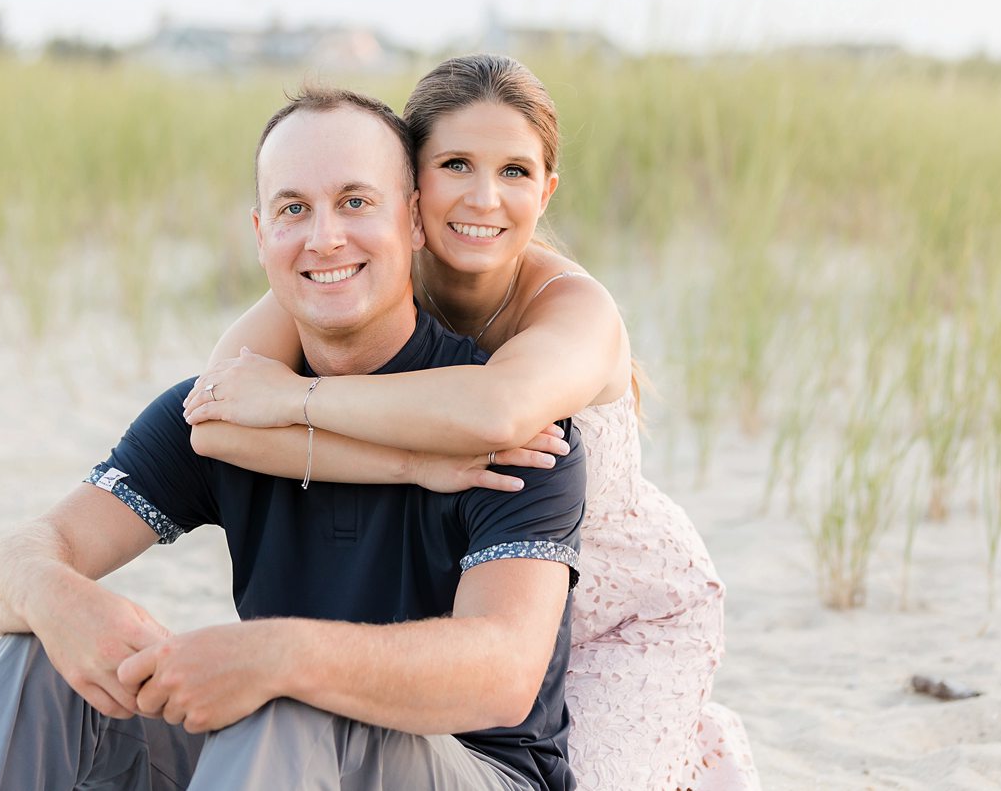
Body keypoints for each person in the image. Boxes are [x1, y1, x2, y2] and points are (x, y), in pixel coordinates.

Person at [0, 87, 588, 791]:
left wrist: (277, 654)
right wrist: (58, 599)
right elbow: (11, 567)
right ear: (261, 235)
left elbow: (503, 670)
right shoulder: (228, 415)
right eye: (294, 208)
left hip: (477, 771)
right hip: (276, 762)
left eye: (355, 202)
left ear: (413, 220)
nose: (324, 237)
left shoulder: (509, 431)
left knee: (290, 698)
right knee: (39, 656)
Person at [182, 54, 761, 790]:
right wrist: (406, 466)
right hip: (481, 596)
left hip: (620, 614)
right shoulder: (356, 268)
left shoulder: (573, 307)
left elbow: (498, 411)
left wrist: (294, 401)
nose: (485, 197)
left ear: (546, 190)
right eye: (457, 163)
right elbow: (212, 420)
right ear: (409, 187)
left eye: (516, 171)